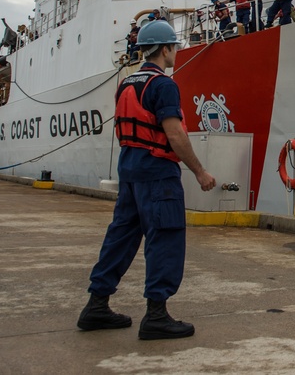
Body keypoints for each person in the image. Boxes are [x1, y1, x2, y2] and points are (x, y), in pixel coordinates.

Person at [78, 20, 216, 340]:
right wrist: (199, 171)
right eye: (174, 47)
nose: (176, 53)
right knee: (165, 238)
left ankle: (96, 304)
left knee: (120, 238)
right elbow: (175, 134)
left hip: (129, 172)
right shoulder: (163, 84)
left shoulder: (126, 83)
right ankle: (156, 315)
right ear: (165, 48)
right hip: (157, 174)